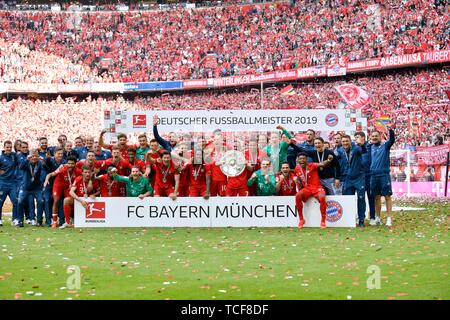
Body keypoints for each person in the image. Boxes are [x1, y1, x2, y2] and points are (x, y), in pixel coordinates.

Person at [294, 152, 334, 229]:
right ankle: (301, 220)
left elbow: (321, 164)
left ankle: (323, 221)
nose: (302, 160)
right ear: (298, 160)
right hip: (307, 189)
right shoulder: (297, 169)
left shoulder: (312, 165)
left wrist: (328, 160)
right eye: (300, 159)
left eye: (303, 159)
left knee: (322, 197)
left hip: (317, 188)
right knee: (298, 195)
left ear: (306, 159)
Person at [336, 135, 367, 227]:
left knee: (361, 199)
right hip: (347, 178)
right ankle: (349, 219)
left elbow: (363, 151)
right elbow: (337, 164)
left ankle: (361, 220)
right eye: (343, 141)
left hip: (359, 177)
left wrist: (361, 145)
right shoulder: (340, 150)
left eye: (347, 141)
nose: (345, 143)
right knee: (348, 199)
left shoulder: (356, 148)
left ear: (350, 141)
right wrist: (338, 177)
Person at [368, 125, 395, 226]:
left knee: (387, 196)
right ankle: (378, 217)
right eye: (372, 136)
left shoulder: (385, 145)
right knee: (376, 197)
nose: (374, 137)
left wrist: (390, 130)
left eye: (376, 136)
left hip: (384, 175)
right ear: (370, 138)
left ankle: (389, 218)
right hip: (373, 175)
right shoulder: (370, 147)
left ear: (380, 137)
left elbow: (392, 139)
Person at [44, 156, 79, 228]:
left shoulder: (78, 171)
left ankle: (69, 220)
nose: (70, 165)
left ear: (75, 164)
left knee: (69, 201)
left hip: (68, 186)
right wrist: (46, 180)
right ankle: (54, 221)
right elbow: (50, 174)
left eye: (72, 164)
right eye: (69, 163)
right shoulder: (62, 167)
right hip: (58, 184)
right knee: (56, 200)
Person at [17, 149, 45, 227]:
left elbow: (44, 169)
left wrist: (43, 163)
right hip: (25, 187)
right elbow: (21, 167)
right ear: (29, 156)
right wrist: (26, 160)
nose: (34, 158)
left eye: (36, 156)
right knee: (20, 201)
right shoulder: (26, 162)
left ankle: (39, 221)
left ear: (38, 156)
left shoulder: (39, 163)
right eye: (32, 156)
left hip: (36, 188)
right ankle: (20, 221)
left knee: (41, 201)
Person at [354, 131, 376, 226]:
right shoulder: (354, 147)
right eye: (355, 138)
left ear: (363, 137)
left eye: (358, 137)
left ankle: (372, 217)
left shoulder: (370, 146)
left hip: (369, 175)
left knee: (371, 197)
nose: (356, 139)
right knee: (359, 198)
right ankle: (357, 217)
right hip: (359, 176)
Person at [42, 147, 67, 226]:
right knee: (47, 199)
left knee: (61, 200)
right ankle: (49, 220)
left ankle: (62, 220)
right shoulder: (48, 160)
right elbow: (44, 168)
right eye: (58, 153)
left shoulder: (64, 161)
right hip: (49, 184)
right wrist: (46, 179)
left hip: (59, 184)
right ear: (54, 154)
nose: (60, 155)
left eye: (61, 154)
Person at [0, 140, 18, 227]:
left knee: (15, 201)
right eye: (7, 147)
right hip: (3, 183)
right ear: (4, 147)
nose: (9, 149)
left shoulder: (14, 156)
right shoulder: (0, 157)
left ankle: (14, 219)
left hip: (12, 183)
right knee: (0, 202)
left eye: (10, 147)